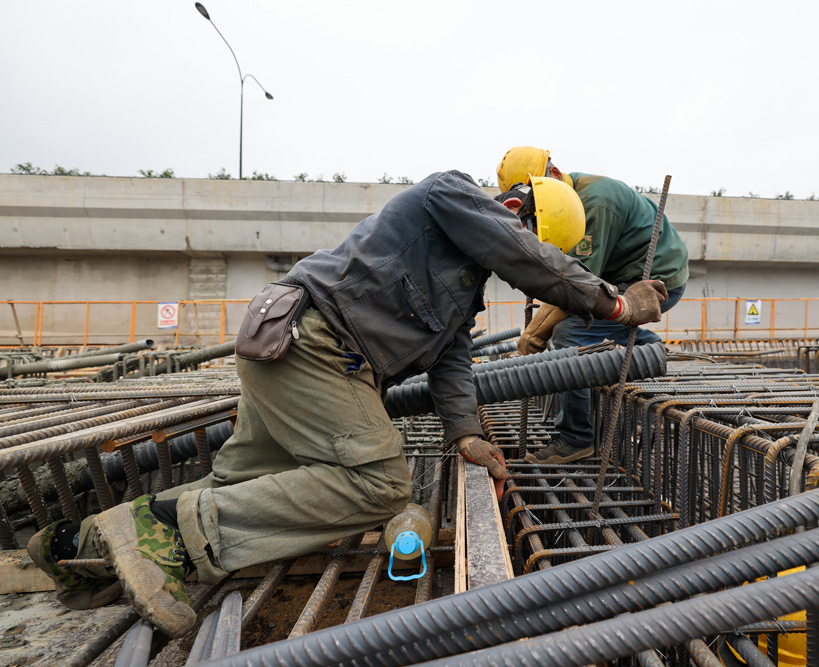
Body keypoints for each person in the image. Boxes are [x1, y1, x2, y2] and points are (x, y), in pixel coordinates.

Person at [28, 170, 669, 637]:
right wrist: (614, 303)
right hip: (314, 344)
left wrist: (466, 433)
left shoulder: (463, 283)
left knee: (252, 484)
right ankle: (162, 531)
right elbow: (525, 256)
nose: (514, 247)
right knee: (378, 485)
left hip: (299, 351)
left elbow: (451, 359)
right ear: (513, 210)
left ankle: (76, 550)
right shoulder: (450, 193)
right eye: (524, 233)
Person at [496, 146, 689, 465]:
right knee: (580, 330)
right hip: (616, 278)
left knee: (571, 331)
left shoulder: (593, 204)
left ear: (554, 176)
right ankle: (649, 351)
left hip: (651, 282)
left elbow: (578, 288)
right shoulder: (566, 202)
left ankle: (576, 439)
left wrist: (534, 335)